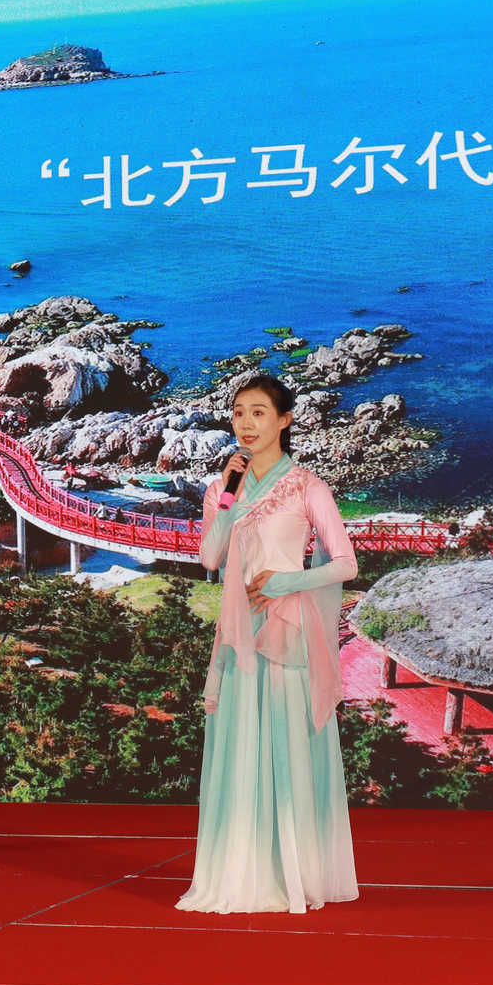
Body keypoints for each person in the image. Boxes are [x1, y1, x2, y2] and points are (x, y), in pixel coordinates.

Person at [177, 374, 360, 914]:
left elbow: (346, 564)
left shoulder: (308, 487)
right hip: (238, 634)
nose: (246, 423)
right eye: (238, 412)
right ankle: (243, 871)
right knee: (242, 745)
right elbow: (210, 559)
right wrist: (226, 500)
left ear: (284, 420)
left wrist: (287, 581)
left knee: (287, 746)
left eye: (259, 412)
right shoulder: (222, 489)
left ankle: (294, 873)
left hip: (287, 630)